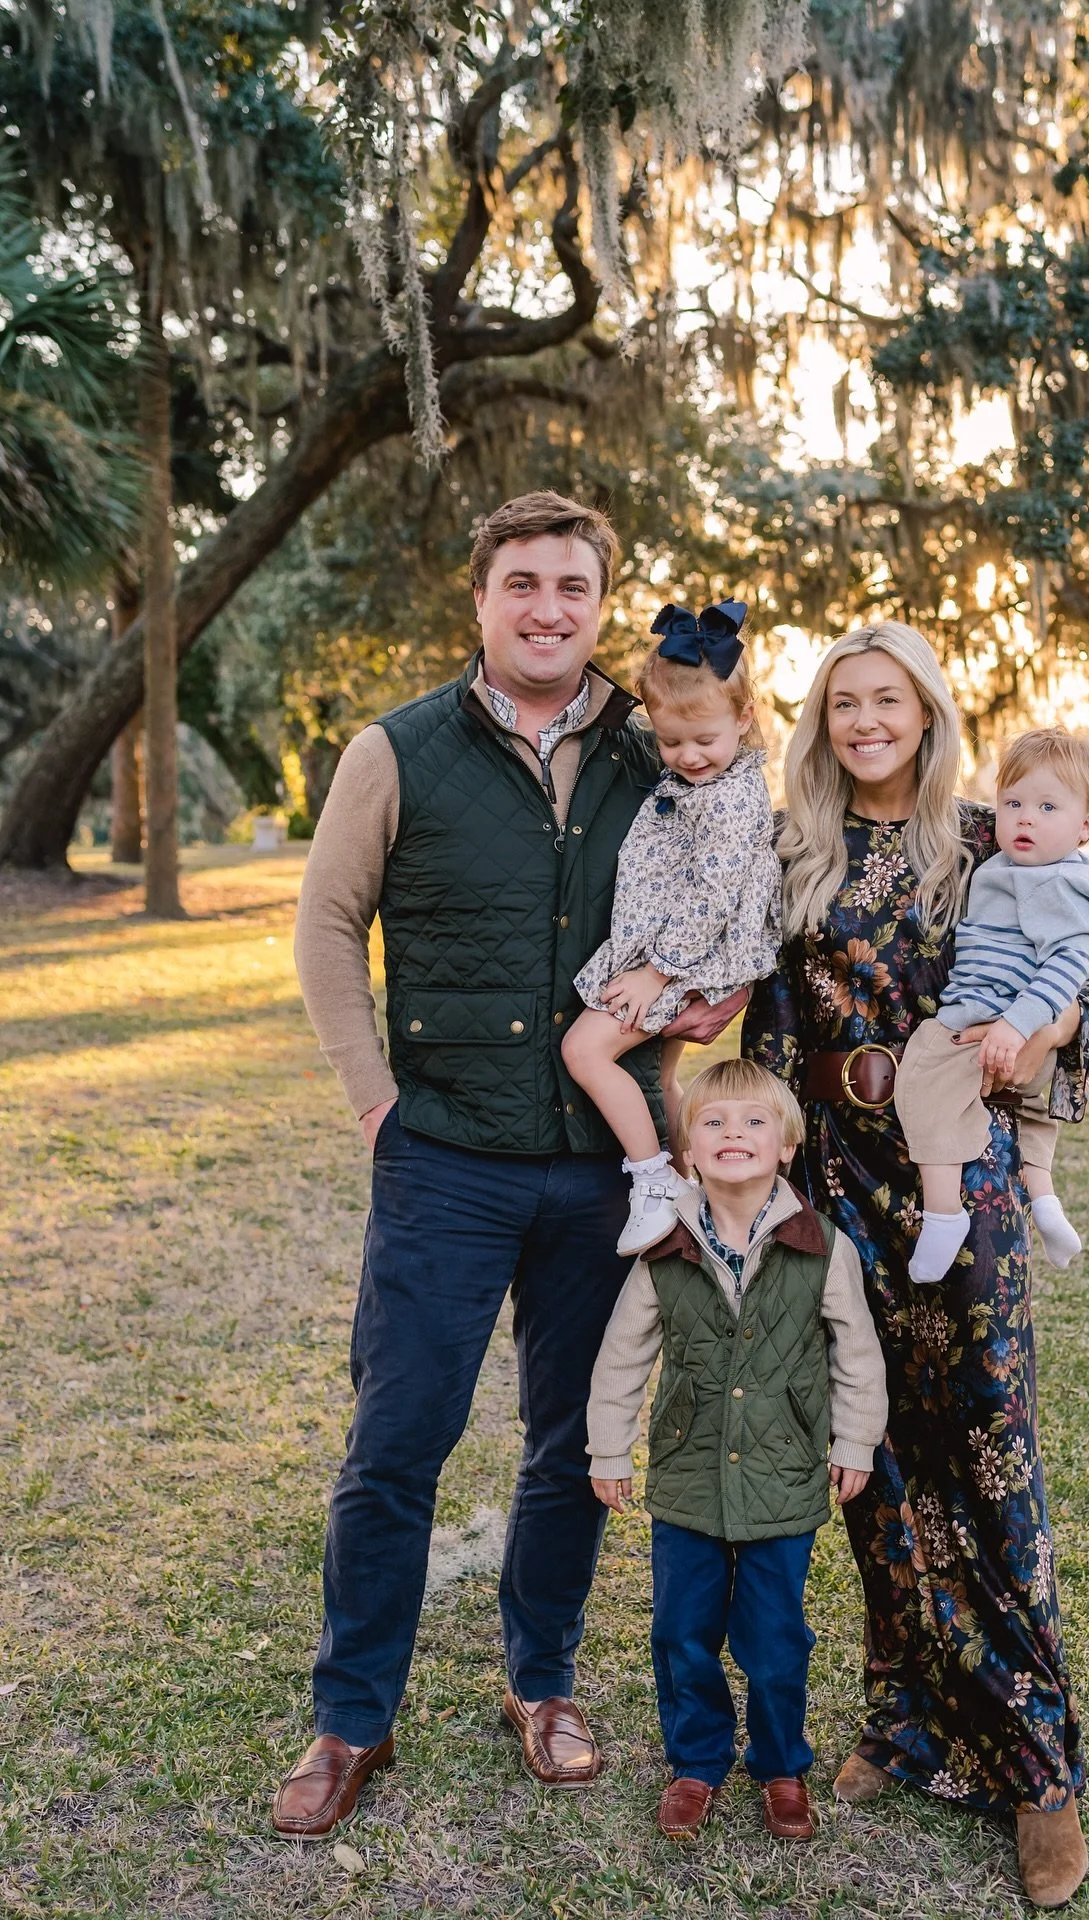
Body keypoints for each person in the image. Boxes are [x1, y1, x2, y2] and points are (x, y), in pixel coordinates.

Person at [273, 491, 742, 1840]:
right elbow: (325, 930)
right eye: (523, 584)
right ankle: (352, 1716)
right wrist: (375, 1104)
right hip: (445, 1159)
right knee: (396, 1443)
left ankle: (540, 1687)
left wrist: (717, 998)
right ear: (480, 599)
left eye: (574, 589)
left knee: (569, 1445)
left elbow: (736, 889)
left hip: (607, 1164)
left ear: (604, 605)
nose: (548, 609)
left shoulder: (658, 749)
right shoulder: (399, 749)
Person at [741, 622, 1089, 1911]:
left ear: (926, 709)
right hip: (839, 1187)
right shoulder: (800, 851)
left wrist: (1046, 1022)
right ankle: (905, 1723)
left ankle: (1035, 1766)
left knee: (988, 1454)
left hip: (967, 1189)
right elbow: (775, 1032)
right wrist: (776, 1200)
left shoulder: (983, 835)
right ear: (823, 721)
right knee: (877, 1465)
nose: (865, 722)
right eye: (844, 704)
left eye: (886, 700)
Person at [586, 1058, 887, 1843]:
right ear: (687, 1149)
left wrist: (854, 1441)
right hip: (688, 1477)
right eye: (713, 1122)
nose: (733, 1135)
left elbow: (857, 1356)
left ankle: (783, 1767)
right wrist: (609, 1451)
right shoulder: (664, 1248)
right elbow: (622, 1356)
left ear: (786, 1145)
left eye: (754, 1121)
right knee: (682, 1633)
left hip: (784, 1477)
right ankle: (695, 1764)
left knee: (776, 1638)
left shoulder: (823, 1248)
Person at [563, 600, 781, 1255]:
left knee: (586, 1050)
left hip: (683, 959)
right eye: (670, 741)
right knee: (657, 1078)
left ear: (743, 718)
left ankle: (652, 1180)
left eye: (703, 740)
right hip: (671, 952)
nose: (686, 756)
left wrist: (656, 970)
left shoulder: (733, 797)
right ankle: (692, 1191)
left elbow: (711, 898)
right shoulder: (707, 777)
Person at [894, 727, 1089, 1282]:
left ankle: (943, 1213)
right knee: (1033, 1116)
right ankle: (1044, 1202)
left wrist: (1017, 1028)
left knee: (922, 1073)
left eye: (1047, 807)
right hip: (1021, 1036)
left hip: (992, 1023)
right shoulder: (1012, 867)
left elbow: (1068, 966)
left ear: (1086, 827)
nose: (1024, 819)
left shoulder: (1055, 881)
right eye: (1012, 803)